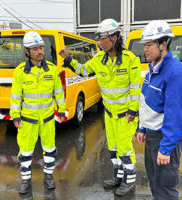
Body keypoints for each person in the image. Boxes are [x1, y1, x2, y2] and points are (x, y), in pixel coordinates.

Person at [58, 18, 141, 196]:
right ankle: (118, 177)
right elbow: (83, 70)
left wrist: (133, 110)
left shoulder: (130, 60)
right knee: (113, 148)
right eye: (100, 38)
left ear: (115, 38)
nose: (100, 42)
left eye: (104, 38)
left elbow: (135, 89)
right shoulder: (98, 60)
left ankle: (129, 181)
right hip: (110, 115)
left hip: (127, 114)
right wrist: (68, 59)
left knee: (125, 148)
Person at [136, 20, 182, 200]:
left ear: (163, 44)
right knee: (155, 183)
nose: (145, 49)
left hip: (164, 138)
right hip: (152, 136)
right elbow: (145, 101)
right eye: (145, 45)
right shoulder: (152, 69)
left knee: (165, 189)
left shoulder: (175, 72)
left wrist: (166, 148)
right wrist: (142, 127)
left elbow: (176, 116)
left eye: (149, 45)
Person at [10, 31, 66, 194]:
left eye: (41, 47)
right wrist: (15, 115)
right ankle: (26, 180)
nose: (40, 51)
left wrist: (61, 111)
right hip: (28, 120)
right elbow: (15, 97)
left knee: (50, 149)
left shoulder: (52, 70)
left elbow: (59, 93)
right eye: (35, 48)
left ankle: (48, 176)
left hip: (48, 119)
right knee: (25, 151)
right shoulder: (20, 72)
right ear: (27, 51)